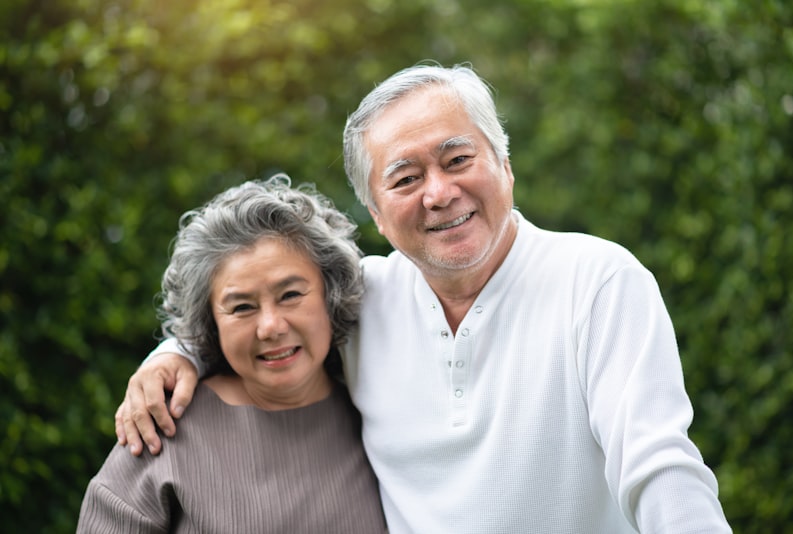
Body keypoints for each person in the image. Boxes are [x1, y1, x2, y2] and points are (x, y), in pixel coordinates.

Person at [116, 63, 732, 533]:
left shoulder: (597, 279)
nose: (438, 192)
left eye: (458, 158)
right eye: (406, 179)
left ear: (504, 165)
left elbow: (657, 465)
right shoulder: (362, 297)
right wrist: (178, 353)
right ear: (379, 216)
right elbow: (268, 316)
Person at [78, 176, 386, 533]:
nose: (270, 326)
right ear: (211, 322)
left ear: (330, 295)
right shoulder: (161, 425)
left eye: (290, 295)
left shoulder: (375, 412)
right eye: (241, 307)